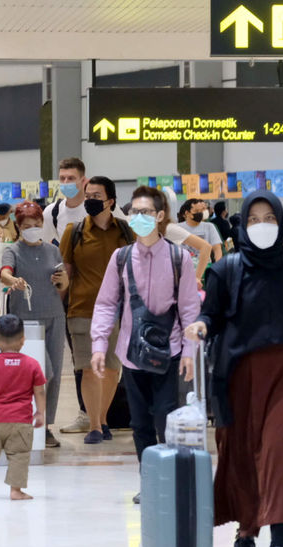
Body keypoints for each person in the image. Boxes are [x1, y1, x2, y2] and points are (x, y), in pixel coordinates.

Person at [184, 190, 283, 547]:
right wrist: (201, 326)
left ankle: (279, 543)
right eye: (253, 219)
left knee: (278, 454)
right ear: (242, 224)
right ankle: (247, 530)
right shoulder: (227, 268)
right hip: (236, 375)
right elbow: (212, 314)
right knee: (242, 454)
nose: (262, 226)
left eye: (269, 218)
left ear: (281, 222)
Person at [90, 186, 200, 504]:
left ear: (160, 216)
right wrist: (99, 345)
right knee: (139, 424)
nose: (139, 218)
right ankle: (149, 481)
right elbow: (107, 303)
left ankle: (170, 481)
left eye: (146, 212)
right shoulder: (121, 258)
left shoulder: (180, 258)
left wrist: (191, 353)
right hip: (132, 354)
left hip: (172, 352)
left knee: (166, 418)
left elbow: (190, 310)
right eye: (134, 212)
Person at [60, 176, 135, 444]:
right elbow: (66, 272)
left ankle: (103, 419)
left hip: (118, 312)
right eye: (87, 195)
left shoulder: (126, 232)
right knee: (89, 369)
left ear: (110, 201)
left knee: (112, 369)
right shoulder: (74, 231)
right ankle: (93, 424)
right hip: (82, 309)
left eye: (96, 196)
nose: (90, 200)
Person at [0, 202, 69, 448]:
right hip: (27, 319)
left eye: (36, 224)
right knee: (42, 372)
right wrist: (13, 279)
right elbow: (4, 273)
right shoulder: (13, 250)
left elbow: (63, 285)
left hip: (54, 316)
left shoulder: (52, 250)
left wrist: (63, 280)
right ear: (18, 227)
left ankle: (45, 427)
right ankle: (27, 421)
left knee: (56, 374)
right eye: (26, 226)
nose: (32, 229)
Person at [0, 314, 46, 501]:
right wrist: (40, 412)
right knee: (19, 455)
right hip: (21, 421)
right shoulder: (32, 365)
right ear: (23, 340)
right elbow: (40, 392)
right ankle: (15, 490)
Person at [179, 199, 224, 265]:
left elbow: (217, 249)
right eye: (197, 210)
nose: (201, 212)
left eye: (203, 210)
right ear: (187, 213)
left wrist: (218, 267)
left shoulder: (209, 226)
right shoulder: (178, 228)